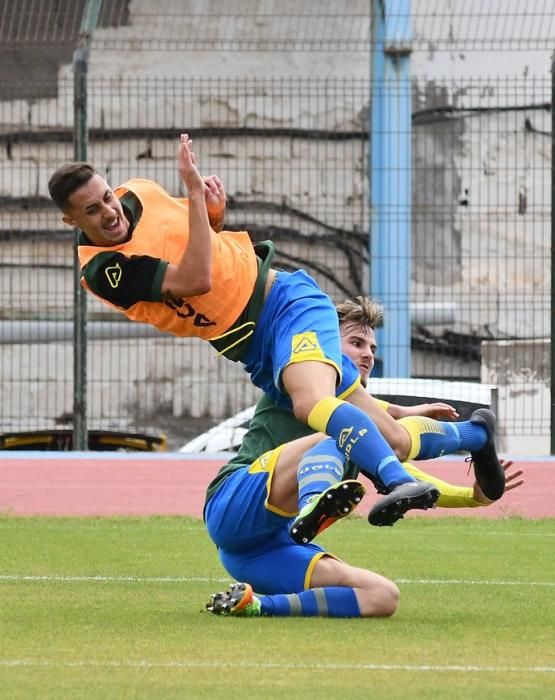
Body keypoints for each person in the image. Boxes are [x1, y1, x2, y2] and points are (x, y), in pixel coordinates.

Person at [48, 135, 505, 525]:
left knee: (310, 403)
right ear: (72, 222)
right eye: (92, 210)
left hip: (284, 303)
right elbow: (195, 279)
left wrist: (212, 215)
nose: (109, 211)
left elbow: (202, 243)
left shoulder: (141, 192)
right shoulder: (104, 269)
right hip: (256, 347)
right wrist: (193, 195)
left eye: (106, 196)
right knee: (393, 437)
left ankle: (397, 483)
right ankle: (476, 436)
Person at [203, 430, 521, 618]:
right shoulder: (300, 381)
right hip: (231, 509)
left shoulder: (361, 419)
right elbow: (386, 423)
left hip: (263, 549)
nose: (367, 354)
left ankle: (256, 604)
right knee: (341, 432)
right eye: (357, 343)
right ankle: (311, 502)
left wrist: (473, 497)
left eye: (372, 347)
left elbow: (403, 474)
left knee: (383, 596)